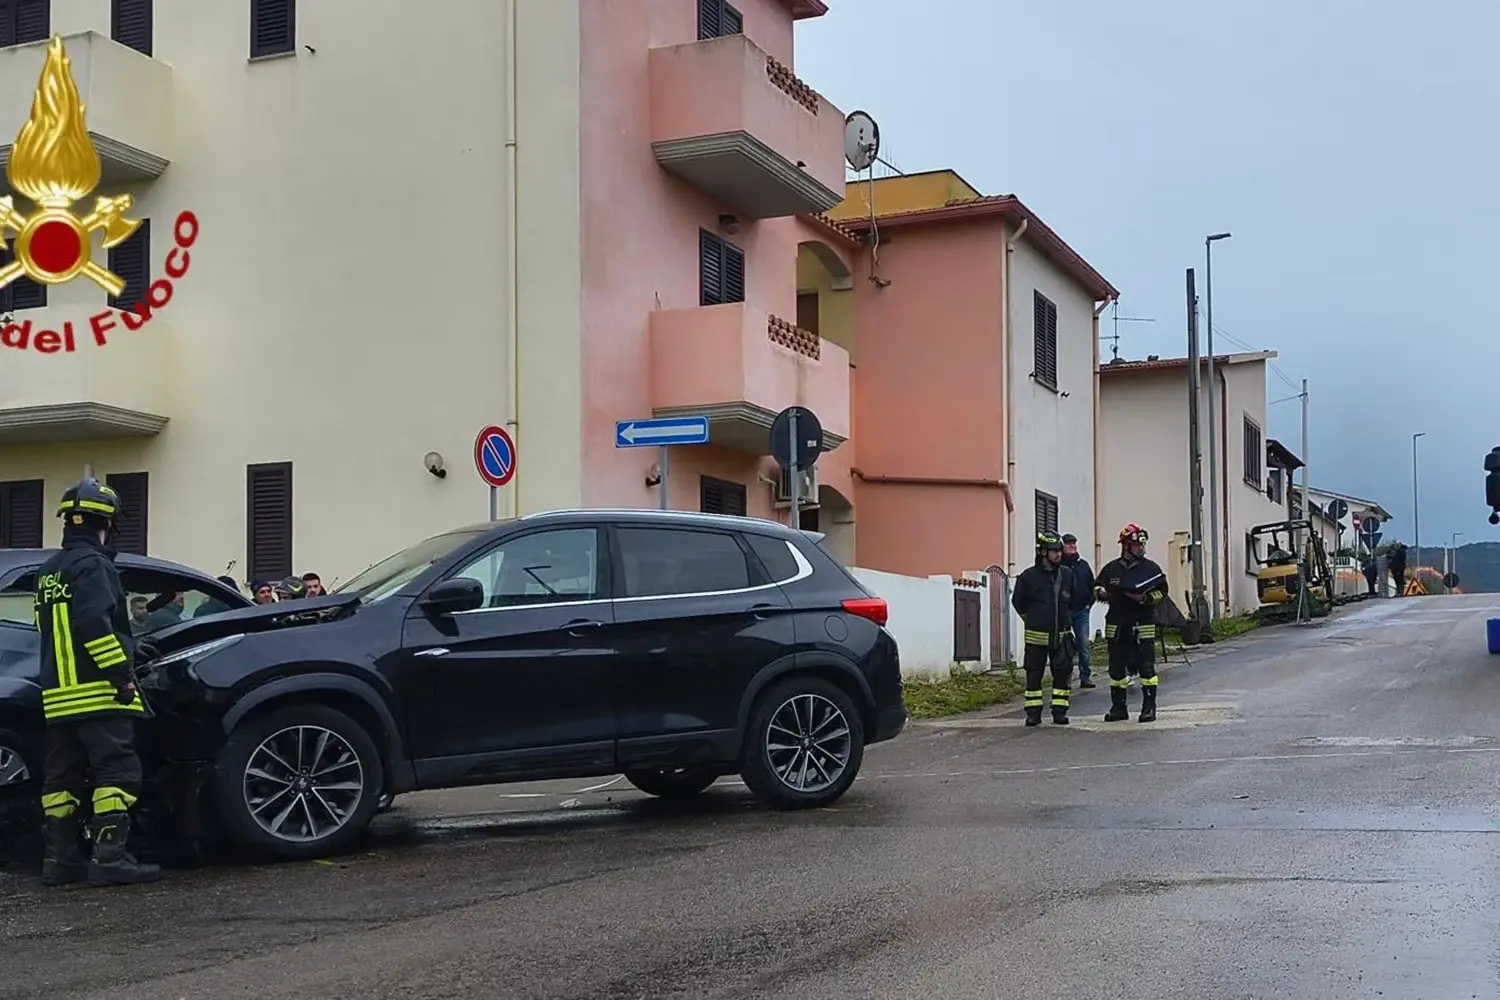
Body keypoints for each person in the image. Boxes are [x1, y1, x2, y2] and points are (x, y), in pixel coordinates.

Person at [33, 478, 161, 887]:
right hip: (98, 693)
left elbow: (48, 627)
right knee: (117, 772)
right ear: (106, 523)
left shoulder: (48, 570)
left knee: (61, 780)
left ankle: (60, 861)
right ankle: (111, 859)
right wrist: (121, 673)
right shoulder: (94, 566)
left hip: (57, 697)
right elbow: (93, 624)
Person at [1095, 523, 1167, 724]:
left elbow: (1162, 591)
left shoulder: (1151, 568)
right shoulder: (1112, 568)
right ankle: (1119, 708)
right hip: (1117, 624)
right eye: (1137, 546)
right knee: (1116, 668)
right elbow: (1097, 585)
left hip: (1142, 622)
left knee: (1146, 668)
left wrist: (1145, 599)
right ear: (1126, 546)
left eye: (1142, 546)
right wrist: (1103, 593)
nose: (1141, 549)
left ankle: (1148, 708)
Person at [1011, 532, 1076, 726]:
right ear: (1042, 552)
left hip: (1062, 635)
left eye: (1059, 551)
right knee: (1034, 676)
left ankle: (1060, 712)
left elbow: (1074, 600)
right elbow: (1018, 602)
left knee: (1062, 675)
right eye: (1053, 551)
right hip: (1036, 637)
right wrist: (1032, 621)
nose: (1058, 555)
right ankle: (1033, 713)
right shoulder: (1028, 577)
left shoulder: (1067, 575)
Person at [1060, 533, 1096, 689]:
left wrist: (1089, 602)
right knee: (1065, 646)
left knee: (1083, 643)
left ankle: (1085, 676)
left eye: (1074, 543)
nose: (1072, 546)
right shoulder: (1059, 566)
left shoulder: (1083, 565)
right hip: (1064, 611)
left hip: (1082, 610)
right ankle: (1065, 678)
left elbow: (1092, 585)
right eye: (1068, 543)